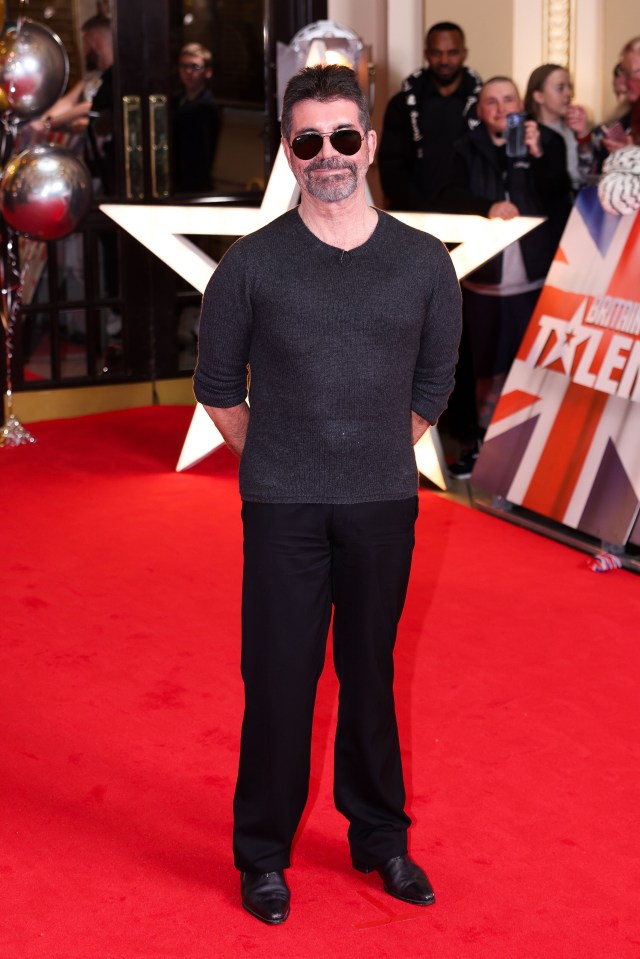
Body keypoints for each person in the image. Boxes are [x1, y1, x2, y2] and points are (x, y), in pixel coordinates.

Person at [193, 64, 462, 925]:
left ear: (370, 143)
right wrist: (276, 457)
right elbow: (214, 383)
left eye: (345, 136)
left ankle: (380, 836)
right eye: (308, 140)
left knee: (371, 673)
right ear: (290, 150)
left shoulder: (422, 262)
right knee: (278, 680)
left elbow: (434, 381)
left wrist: (376, 451)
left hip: (383, 500)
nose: (329, 155)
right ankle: (262, 853)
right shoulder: (252, 263)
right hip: (281, 507)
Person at [439, 76, 572, 477]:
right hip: (484, 279)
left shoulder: (546, 141)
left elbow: (559, 196)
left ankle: (530, 456)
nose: (501, 109)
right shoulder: (465, 148)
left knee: (533, 367)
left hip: (535, 277)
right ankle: (481, 447)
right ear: (480, 111)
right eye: (491, 102)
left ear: (521, 104)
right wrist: (488, 206)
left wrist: (536, 153)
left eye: (508, 100)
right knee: (485, 370)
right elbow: (448, 197)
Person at [378, 21, 481, 211]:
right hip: (412, 214)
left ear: (464, 53)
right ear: (426, 54)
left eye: (452, 52)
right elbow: (391, 164)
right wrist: (413, 207)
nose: (444, 60)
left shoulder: (482, 103)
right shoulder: (401, 103)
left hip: (471, 214)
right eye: (436, 53)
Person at [524, 63, 591, 192]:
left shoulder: (574, 129)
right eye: (560, 88)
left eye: (569, 87)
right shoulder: (528, 133)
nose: (569, 94)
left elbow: (588, 177)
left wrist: (584, 135)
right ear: (539, 96)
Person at [172, 42, 220, 193]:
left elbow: (205, 154)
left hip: (194, 182)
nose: (188, 72)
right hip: (175, 176)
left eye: (195, 67)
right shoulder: (175, 99)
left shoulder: (208, 106)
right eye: (183, 66)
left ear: (208, 72)